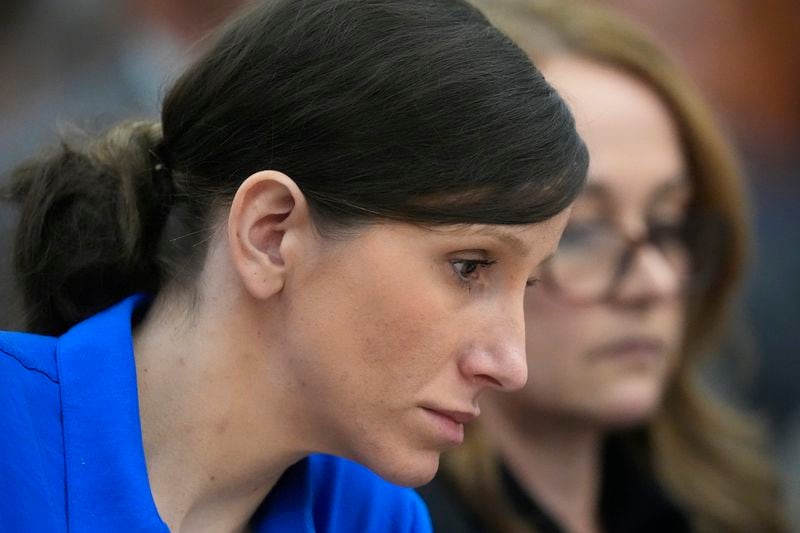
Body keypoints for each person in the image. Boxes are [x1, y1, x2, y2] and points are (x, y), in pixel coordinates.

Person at [0, 0, 588, 531]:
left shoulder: (373, 520)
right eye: (470, 266)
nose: (512, 366)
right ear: (271, 233)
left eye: (527, 285)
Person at [419, 0, 788, 532]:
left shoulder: (725, 502)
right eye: (582, 232)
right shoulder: (369, 515)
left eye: (669, 223)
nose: (656, 283)